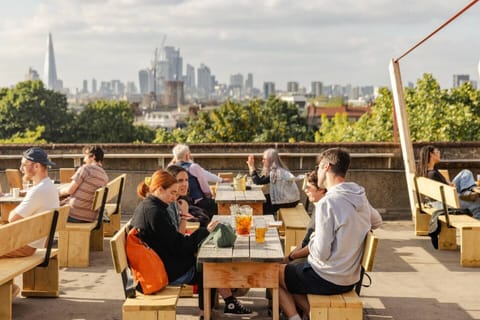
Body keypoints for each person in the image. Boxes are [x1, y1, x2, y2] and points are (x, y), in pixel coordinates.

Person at [130, 170, 253, 318]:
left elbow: (172, 242)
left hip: (158, 262)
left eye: (176, 194)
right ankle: (208, 312)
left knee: (205, 259)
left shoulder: (150, 206)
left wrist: (199, 235)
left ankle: (217, 306)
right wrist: (202, 234)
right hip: (161, 270)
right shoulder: (155, 212)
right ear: (160, 189)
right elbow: (178, 246)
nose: (174, 198)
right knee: (207, 266)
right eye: (172, 193)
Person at [278, 148, 383, 320]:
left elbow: (321, 253)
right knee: (290, 272)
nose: (317, 171)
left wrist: (313, 240)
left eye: (319, 167)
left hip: (328, 277)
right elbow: (377, 221)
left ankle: (305, 317)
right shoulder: (358, 194)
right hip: (350, 277)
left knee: (273, 273)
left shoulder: (328, 203)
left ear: (326, 166)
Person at [1, 147, 60, 298]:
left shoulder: (38, 191)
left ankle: (5, 291)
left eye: (24, 165)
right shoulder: (50, 187)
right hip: (34, 241)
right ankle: (8, 289)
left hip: (26, 245)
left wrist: (14, 211)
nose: (21, 169)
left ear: (36, 166)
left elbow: (12, 218)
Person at [416, 145, 480, 217]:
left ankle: (466, 192)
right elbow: (447, 194)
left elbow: (445, 185)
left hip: (442, 198)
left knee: (465, 172)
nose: (439, 153)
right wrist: (451, 187)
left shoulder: (429, 170)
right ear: (431, 154)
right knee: (478, 203)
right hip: (444, 202)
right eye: (437, 151)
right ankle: (467, 194)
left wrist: (449, 183)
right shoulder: (432, 174)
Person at [58, 145, 109, 223]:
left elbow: (69, 190)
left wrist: (58, 191)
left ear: (93, 157)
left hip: (74, 214)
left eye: (85, 156)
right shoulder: (104, 176)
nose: (84, 160)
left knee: (46, 213)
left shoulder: (86, 169)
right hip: (90, 217)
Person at [171, 144, 224, 216]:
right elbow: (205, 187)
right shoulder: (193, 167)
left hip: (183, 204)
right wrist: (210, 195)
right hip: (198, 203)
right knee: (222, 206)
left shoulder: (171, 168)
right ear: (187, 156)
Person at [286, 169, 327, 263]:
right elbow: (306, 240)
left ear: (321, 189)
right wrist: (290, 256)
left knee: (275, 271)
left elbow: (316, 246)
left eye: (309, 187)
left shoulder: (324, 210)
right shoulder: (318, 206)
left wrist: (292, 256)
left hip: (313, 261)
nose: (305, 190)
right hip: (308, 255)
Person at [246, 148, 300, 215]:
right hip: (291, 199)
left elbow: (258, 182)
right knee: (263, 199)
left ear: (271, 160)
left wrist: (251, 167)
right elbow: (260, 180)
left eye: (264, 159)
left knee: (261, 205)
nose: (262, 161)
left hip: (289, 201)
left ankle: (268, 222)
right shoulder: (277, 170)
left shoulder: (277, 172)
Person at [166, 165, 211, 232]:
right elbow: (177, 237)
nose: (185, 184)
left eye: (186, 180)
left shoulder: (180, 200)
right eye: (180, 181)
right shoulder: (168, 205)